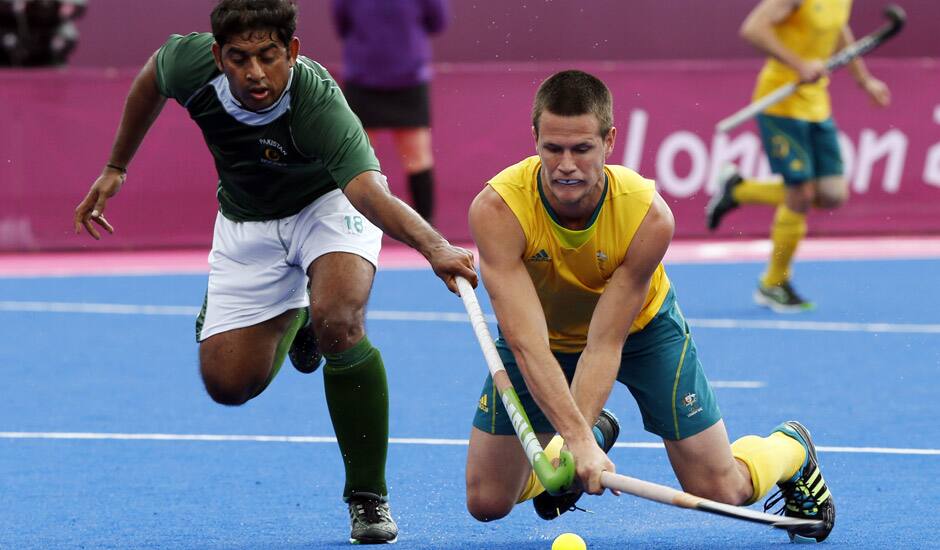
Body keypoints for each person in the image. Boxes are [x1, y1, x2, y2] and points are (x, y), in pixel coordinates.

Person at [71, 0, 477, 544]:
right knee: (229, 386)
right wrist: (116, 165)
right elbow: (152, 76)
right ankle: (297, 314)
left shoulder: (318, 100)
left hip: (328, 207)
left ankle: (367, 498)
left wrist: (435, 247)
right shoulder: (189, 65)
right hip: (249, 224)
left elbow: (364, 190)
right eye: (239, 58)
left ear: (292, 51)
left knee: (342, 324)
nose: (255, 73)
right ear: (218, 56)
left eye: (268, 56)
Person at [464, 70, 835, 543]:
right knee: (487, 501)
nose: (566, 166)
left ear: (610, 141)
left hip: (641, 332)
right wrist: (577, 443)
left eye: (582, 149)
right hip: (543, 338)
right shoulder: (499, 210)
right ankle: (588, 437)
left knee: (721, 487)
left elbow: (603, 343)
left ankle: (790, 448)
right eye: (552, 148)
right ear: (534, 138)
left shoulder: (646, 216)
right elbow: (527, 343)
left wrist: (573, 440)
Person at [706, 0, 890, 313]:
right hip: (781, 101)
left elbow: (838, 31)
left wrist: (864, 80)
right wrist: (798, 63)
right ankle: (773, 284)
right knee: (801, 193)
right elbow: (753, 29)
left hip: (816, 104)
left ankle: (737, 190)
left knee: (832, 195)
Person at [330, 0, 448, 224]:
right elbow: (342, 23)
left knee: (417, 158)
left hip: (408, 79)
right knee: (355, 160)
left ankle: (430, 236)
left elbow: (438, 21)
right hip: (362, 80)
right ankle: (348, 229)